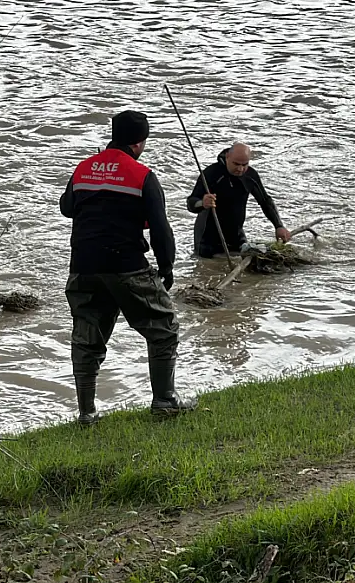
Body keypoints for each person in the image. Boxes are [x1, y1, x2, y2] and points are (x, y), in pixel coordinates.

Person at [59, 110, 196, 425]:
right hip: (126, 264)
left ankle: (86, 413)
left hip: (83, 267)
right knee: (163, 327)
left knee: (87, 338)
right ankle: (164, 400)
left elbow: (67, 208)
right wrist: (167, 268)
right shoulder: (142, 175)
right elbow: (161, 229)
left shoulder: (83, 169)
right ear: (140, 142)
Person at [186, 142, 291, 258]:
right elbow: (191, 203)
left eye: (244, 164)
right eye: (236, 164)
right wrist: (202, 203)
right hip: (207, 239)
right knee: (210, 271)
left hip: (237, 236)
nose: (240, 169)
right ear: (227, 157)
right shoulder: (211, 174)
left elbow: (265, 201)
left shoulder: (250, 176)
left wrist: (279, 226)